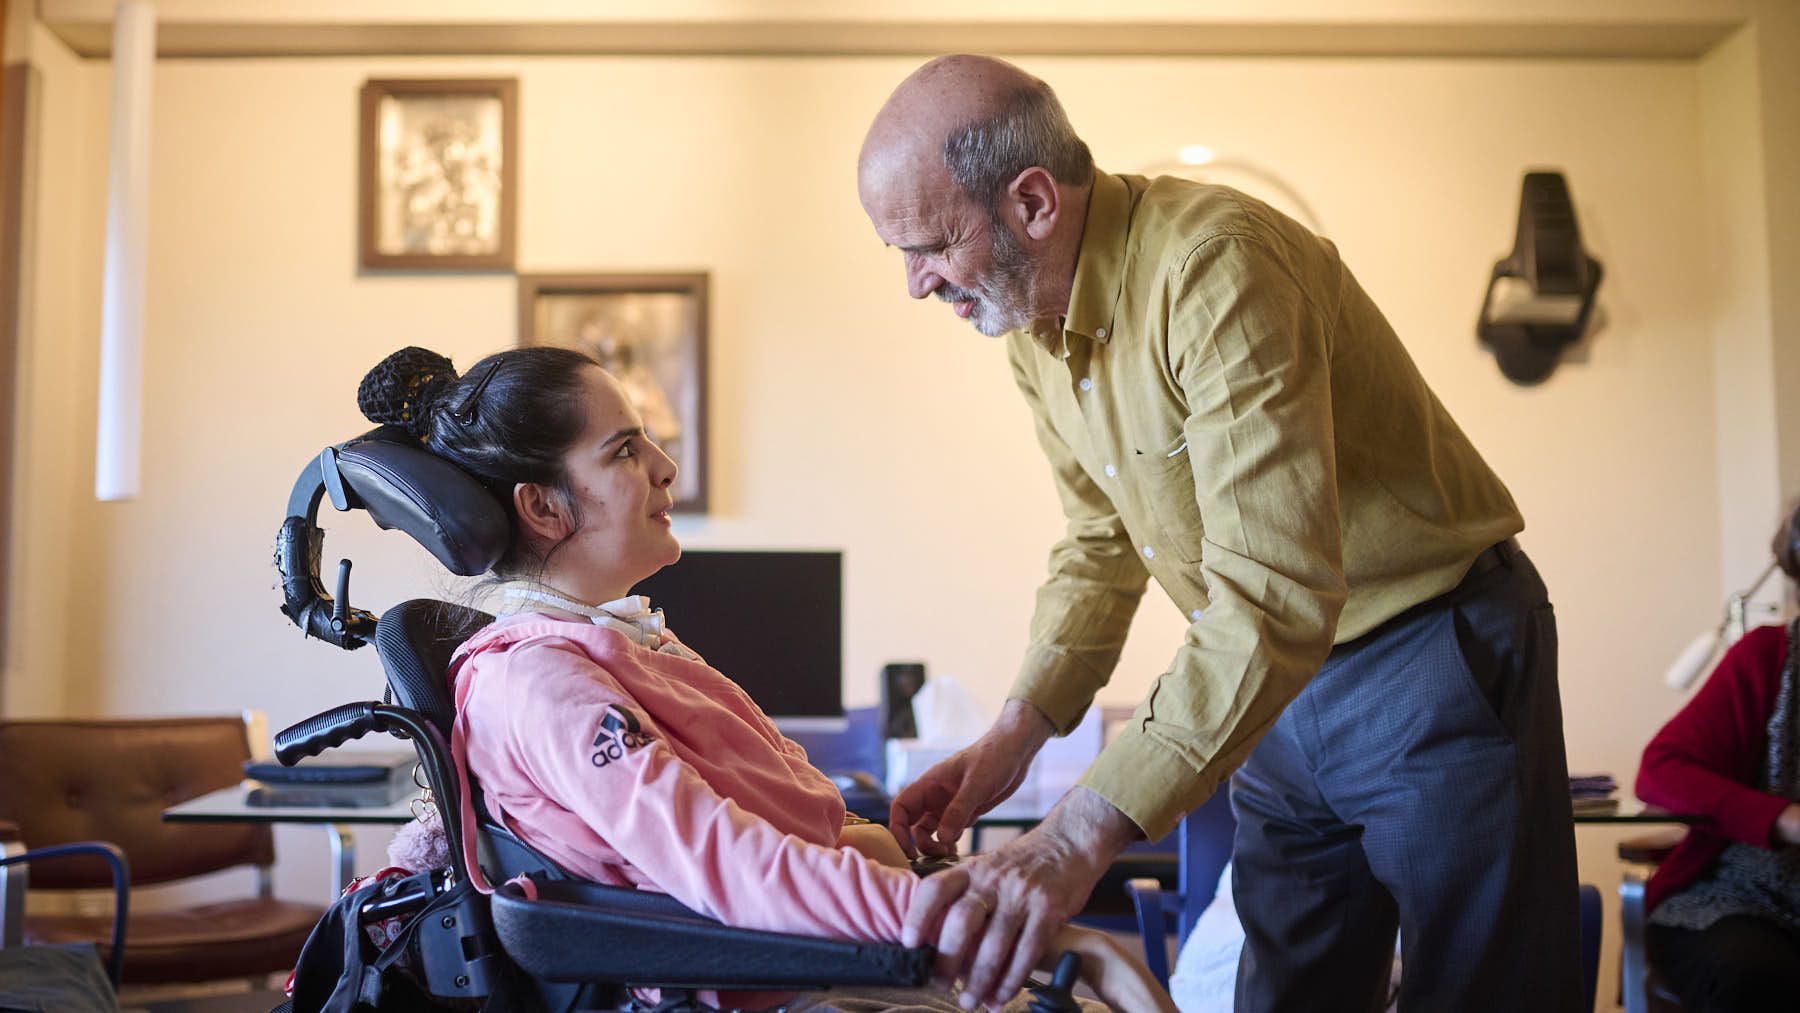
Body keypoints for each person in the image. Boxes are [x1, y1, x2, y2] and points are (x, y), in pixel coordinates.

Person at [857, 55, 1580, 1011]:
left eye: (930, 245)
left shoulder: (1215, 263)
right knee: (1286, 991)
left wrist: (1077, 837)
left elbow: (1274, 589)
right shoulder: (1032, 323)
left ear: (1032, 202)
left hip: (1425, 656)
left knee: (1483, 992)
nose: (916, 284)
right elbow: (1101, 542)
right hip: (1278, 687)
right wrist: (1014, 737)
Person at [354, 346, 1176, 1013]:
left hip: (820, 957)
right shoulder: (539, 684)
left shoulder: (622, 647)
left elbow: (774, 812)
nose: (666, 467)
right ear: (542, 507)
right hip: (782, 979)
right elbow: (728, 864)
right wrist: (1007, 927)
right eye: (626, 451)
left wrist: (896, 860)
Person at [1634, 504, 1800, 1011]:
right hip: (1740, 899)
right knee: (1752, 977)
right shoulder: (1766, 656)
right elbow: (1661, 769)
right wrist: (1784, 820)